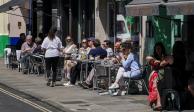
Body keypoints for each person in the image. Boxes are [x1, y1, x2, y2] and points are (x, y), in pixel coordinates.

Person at [146, 42, 169, 111]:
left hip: (164, 76)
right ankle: (156, 102)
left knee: (156, 81)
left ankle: (156, 102)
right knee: (155, 79)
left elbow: (165, 64)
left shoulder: (165, 57)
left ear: (162, 49)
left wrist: (159, 61)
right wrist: (154, 60)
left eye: (159, 48)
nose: (158, 50)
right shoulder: (153, 57)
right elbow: (147, 58)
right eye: (156, 49)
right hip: (155, 75)